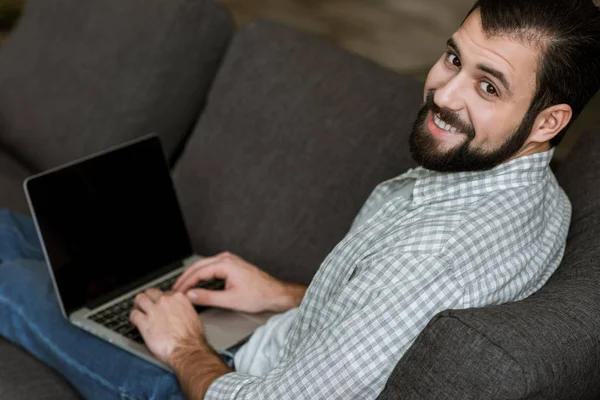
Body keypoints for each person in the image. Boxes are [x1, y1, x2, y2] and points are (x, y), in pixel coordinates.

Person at [1, 0, 600, 398]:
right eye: (452, 58)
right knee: (41, 238)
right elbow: (396, 320)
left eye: (487, 85)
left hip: (224, 380)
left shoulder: (435, 253)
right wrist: (282, 296)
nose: (444, 93)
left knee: (12, 280)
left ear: (548, 121)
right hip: (267, 336)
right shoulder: (542, 198)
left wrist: (184, 346)